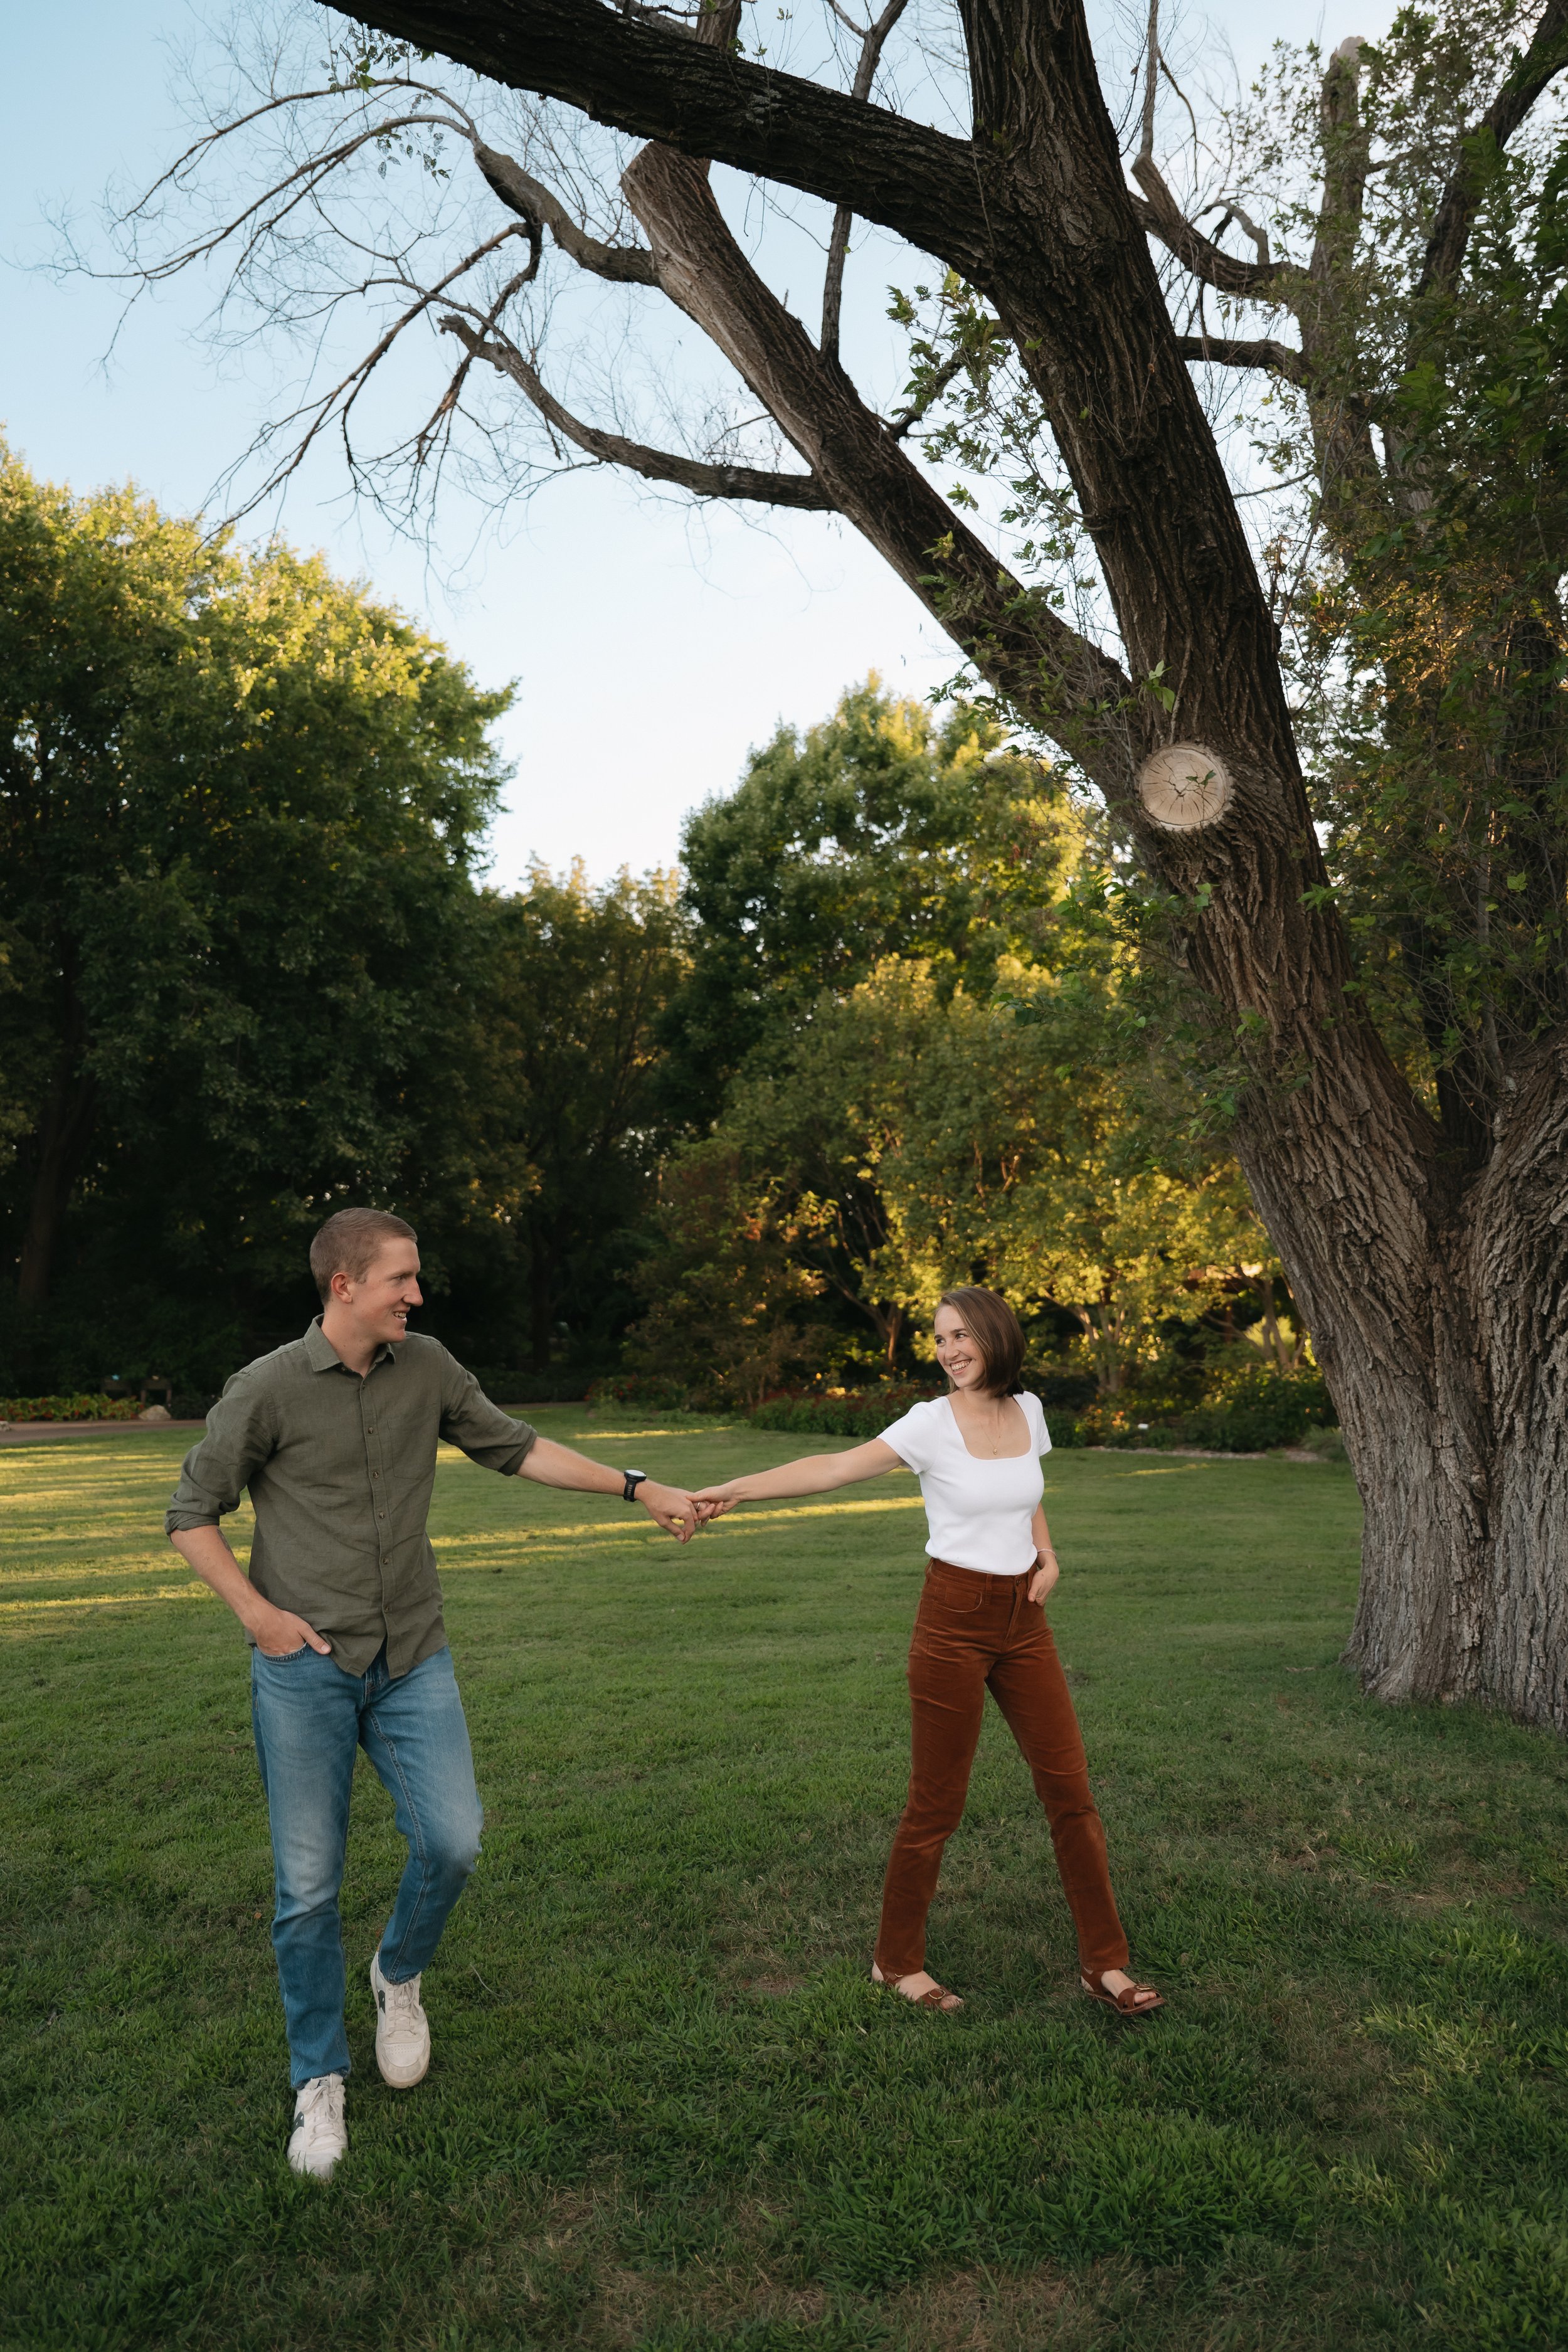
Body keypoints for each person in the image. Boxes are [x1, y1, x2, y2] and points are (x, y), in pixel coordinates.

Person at [166, 1207, 704, 2180]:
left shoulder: (429, 1366)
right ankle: (318, 2081)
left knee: (453, 1838)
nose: (417, 1294)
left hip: (413, 1652)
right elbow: (190, 1510)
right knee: (307, 1889)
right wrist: (258, 1615)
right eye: (401, 1279)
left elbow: (518, 1447)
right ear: (344, 1287)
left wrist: (640, 1486)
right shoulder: (269, 1388)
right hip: (305, 1667)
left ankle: (397, 1975)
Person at [694, 1286, 1162, 2020]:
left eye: (960, 1335)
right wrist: (735, 1491)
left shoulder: (1029, 1411)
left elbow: (1027, 1493)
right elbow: (830, 1468)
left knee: (1070, 1792)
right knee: (937, 1803)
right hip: (952, 1620)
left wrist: (1047, 1552)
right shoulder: (928, 1424)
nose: (949, 1351)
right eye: (940, 1339)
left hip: (1024, 1619)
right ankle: (895, 1962)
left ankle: (1104, 1962)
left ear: (994, 1336)